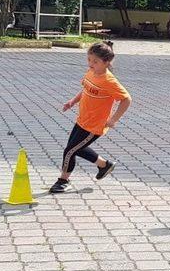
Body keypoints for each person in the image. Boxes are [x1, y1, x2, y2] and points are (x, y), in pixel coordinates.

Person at [50, 42, 132, 193]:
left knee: (70, 151)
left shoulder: (109, 81)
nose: (90, 63)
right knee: (76, 149)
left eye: (95, 61)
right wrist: (72, 102)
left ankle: (63, 180)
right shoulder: (90, 73)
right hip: (82, 120)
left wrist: (113, 119)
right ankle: (104, 165)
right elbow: (85, 89)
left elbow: (126, 99)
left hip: (94, 125)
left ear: (106, 63)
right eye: (89, 59)